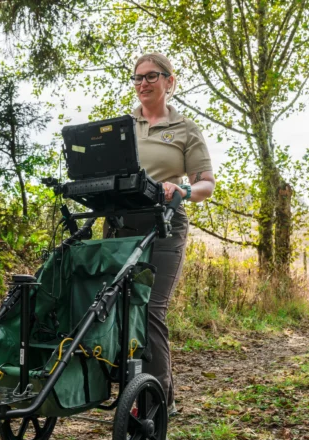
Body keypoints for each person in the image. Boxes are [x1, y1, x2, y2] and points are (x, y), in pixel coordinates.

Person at [116, 53, 215, 415]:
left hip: (165, 227)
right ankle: (126, 389)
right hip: (120, 226)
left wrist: (183, 191)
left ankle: (159, 399)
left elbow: (206, 184)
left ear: (169, 81)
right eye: (137, 78)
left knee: (151, 309)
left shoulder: (186, 129)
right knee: (116, 307)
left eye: (151, 76)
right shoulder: (123, 126)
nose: (142, 83)